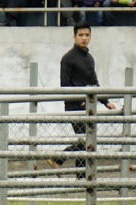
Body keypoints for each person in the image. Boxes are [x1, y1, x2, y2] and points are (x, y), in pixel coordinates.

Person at [49, 22, 116, 177]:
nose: (84, 38)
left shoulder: (89, 58)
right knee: (86, 140)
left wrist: (106, 102)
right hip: (75, 106)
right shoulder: (68, 58)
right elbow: (65, 84)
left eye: (87, 35)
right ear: (74, 36)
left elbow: (95, 83)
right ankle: (58, 160)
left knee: (85, 140)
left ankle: (80, 174)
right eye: (81, 35)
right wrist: (79, 100)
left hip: (88, 105)